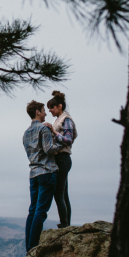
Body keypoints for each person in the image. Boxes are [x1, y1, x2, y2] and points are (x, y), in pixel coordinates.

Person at [23, 100, 64, 252]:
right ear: (38, 112)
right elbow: (48, 149)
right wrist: (62, 146)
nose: (46, 113)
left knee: (33, 211)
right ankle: (33, 248)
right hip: (47, 172)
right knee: (41, 211)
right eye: (43, 110)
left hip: (33, 174)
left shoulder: (26, 133)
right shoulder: (44, 129)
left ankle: (29, 247)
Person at [43, 91, 78, 228]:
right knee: (64, 194)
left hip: (63, 159)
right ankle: (66, 223)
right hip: (59, 160)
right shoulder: (59, 119)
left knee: (59, 194)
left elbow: (68, 140)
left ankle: (64, 224)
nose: (50, 111)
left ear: (59, 106)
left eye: (52, 108)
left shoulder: (66, 119)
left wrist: (53, 131)